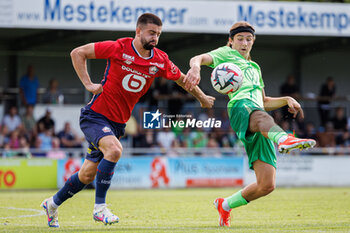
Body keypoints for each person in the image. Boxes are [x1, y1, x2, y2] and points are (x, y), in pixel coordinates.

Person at [40, 13, 215, 228]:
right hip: (95, 116)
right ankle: (100, 209)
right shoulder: (118, 48)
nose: (155, 38)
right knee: (114, 151)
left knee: (86, 174)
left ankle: (52, 204)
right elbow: (78, 53)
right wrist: (88, 84)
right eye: (151, 33)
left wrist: (203, 97)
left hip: (116, 124)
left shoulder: (159, 59)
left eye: (158, 34)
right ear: (138, 31)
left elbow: (182, 80)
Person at [184, 21, 316, 227]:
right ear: (231, 41)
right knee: (260, 115)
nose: (244, 43)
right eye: (240, 39)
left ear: (253, 41)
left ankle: (225, 205)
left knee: (267, 185)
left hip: (259, 117)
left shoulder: (255, 67)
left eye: (248, 39)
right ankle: (284, 138)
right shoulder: (226, 54)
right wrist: (195, 69)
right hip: (239, 108)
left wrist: (287, 99)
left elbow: (263, 102)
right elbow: (197, 58)